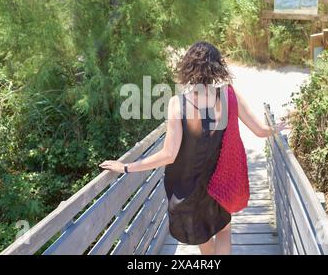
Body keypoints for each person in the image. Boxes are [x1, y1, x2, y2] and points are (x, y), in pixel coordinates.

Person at [100, 41, 289, 255]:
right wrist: (278, 126)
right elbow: (260, 131)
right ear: (217, 66)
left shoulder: (177, 104)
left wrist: (126, 167)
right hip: (221, 182)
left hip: (190, 188)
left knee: (204, 238)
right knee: (224, 231)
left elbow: (169, 155)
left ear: (188, 68)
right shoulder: (228, 96)